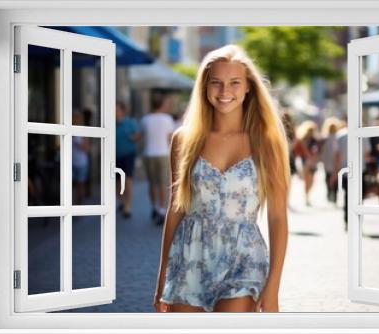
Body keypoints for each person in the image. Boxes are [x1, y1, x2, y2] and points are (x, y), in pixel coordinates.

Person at [153, 45, 289, 313]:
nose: (225, 92)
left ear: (248, 87)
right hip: (189, 258)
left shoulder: (266, 142)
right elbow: (176, 208)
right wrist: (162, 279)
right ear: (204, 87)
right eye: (216, 83)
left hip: (244, 260)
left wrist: (273, 287)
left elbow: (277, 217)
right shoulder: (184, 139)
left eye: (234, 83)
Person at [140, 92, 176, 224]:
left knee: (152, 183)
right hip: (163, 153)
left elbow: (139, 136)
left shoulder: (145, 119)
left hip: (148, 153)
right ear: (162, 105)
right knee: (162, 183)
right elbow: (170, 138)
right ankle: (161, 209)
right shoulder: (167, 119)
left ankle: (154, 207)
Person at [115, 101, 141, 218]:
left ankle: (127, 207)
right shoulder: (110, 123)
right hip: (114, 155)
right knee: (117, 183)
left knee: (128, 180)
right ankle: (121, 201)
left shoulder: (130, 123)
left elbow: (138, 135)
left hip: (128, 155)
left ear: (122, 110)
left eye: (116, 109)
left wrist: (132, 137)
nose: (114, 112)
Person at [292, 120, 320, 207]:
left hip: (313, 162)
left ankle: (307, 194)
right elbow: (296, 151)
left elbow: (317, 151)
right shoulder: (302, 140)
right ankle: (306, 197)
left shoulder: (314, 140)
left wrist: (314, 158)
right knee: (307, 180)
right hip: (305, 162)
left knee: (312, 180)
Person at [72, 111, 90, 205]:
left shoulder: (83, 131)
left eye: (76, 118)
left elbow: (86, 148)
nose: (74, 120)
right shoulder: (69, 130)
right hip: (70, 162)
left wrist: (76, 142)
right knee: (70, 184)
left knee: (80, 184)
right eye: (73, 118)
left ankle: (79, 204)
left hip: (81, 162)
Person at [320, 117, 340, 203]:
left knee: (327, 177)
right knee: (335, 178)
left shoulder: (324, 138)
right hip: (335, 161)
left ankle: (329, 193)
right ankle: (334, 195)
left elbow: (322, 151)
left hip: (327, 161)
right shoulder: (338, 137)